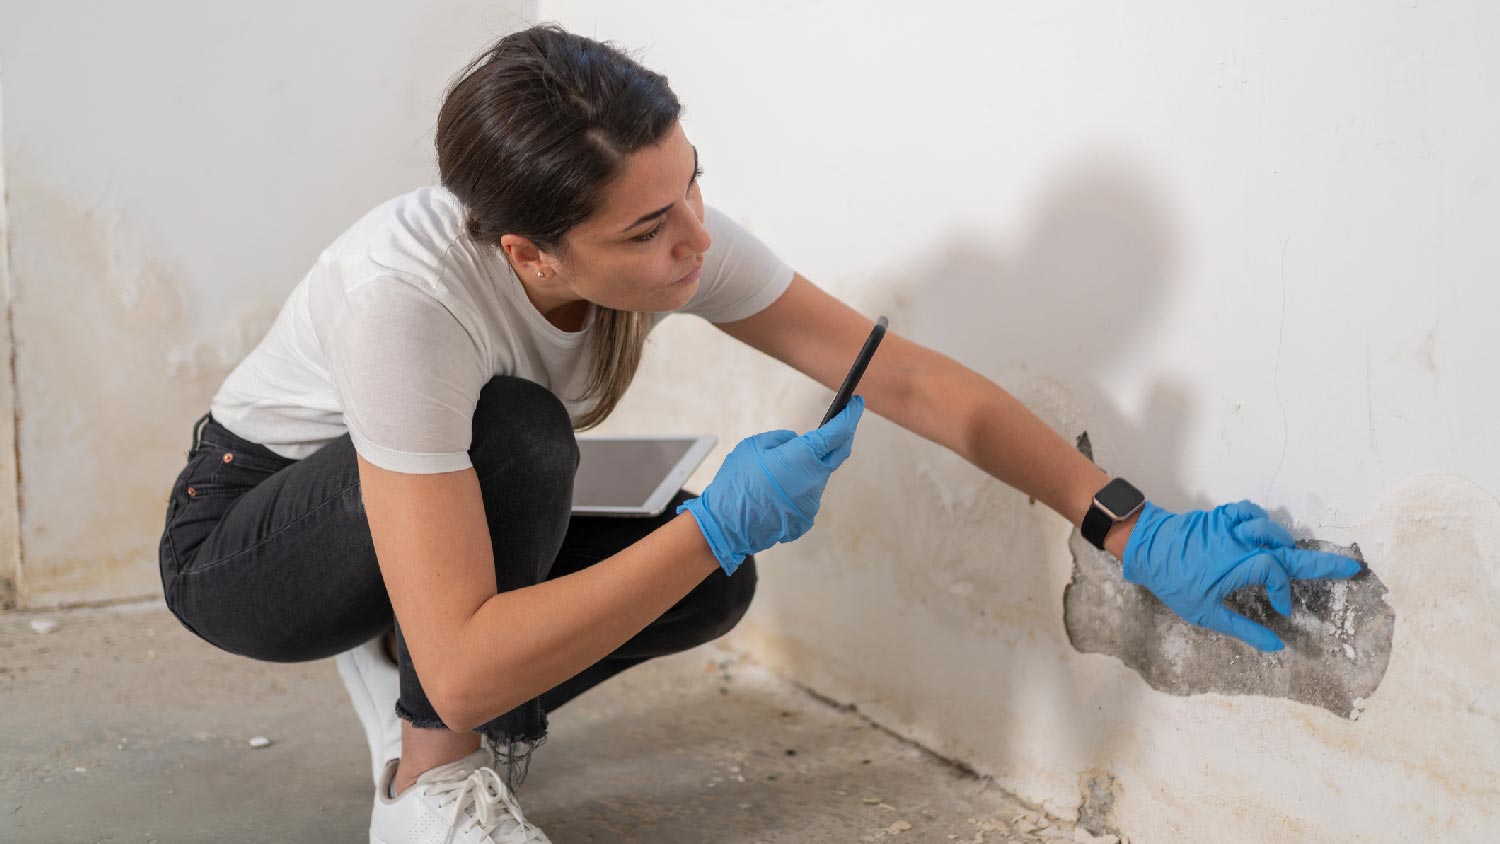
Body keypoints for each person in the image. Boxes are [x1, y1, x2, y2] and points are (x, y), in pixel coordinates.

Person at [154, 22, 1363, 844]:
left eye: (691, 184)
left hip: (420, 502)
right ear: (529, 250)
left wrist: (1131, 527)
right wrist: (714, 523)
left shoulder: (661, 221)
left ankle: (412, 654)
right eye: (646, 228)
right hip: (252, 536)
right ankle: (429, 778)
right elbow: (471, 659)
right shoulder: (405, 304)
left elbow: (913, 384)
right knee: (524, 446)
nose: (691, 237)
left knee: (704, 590)